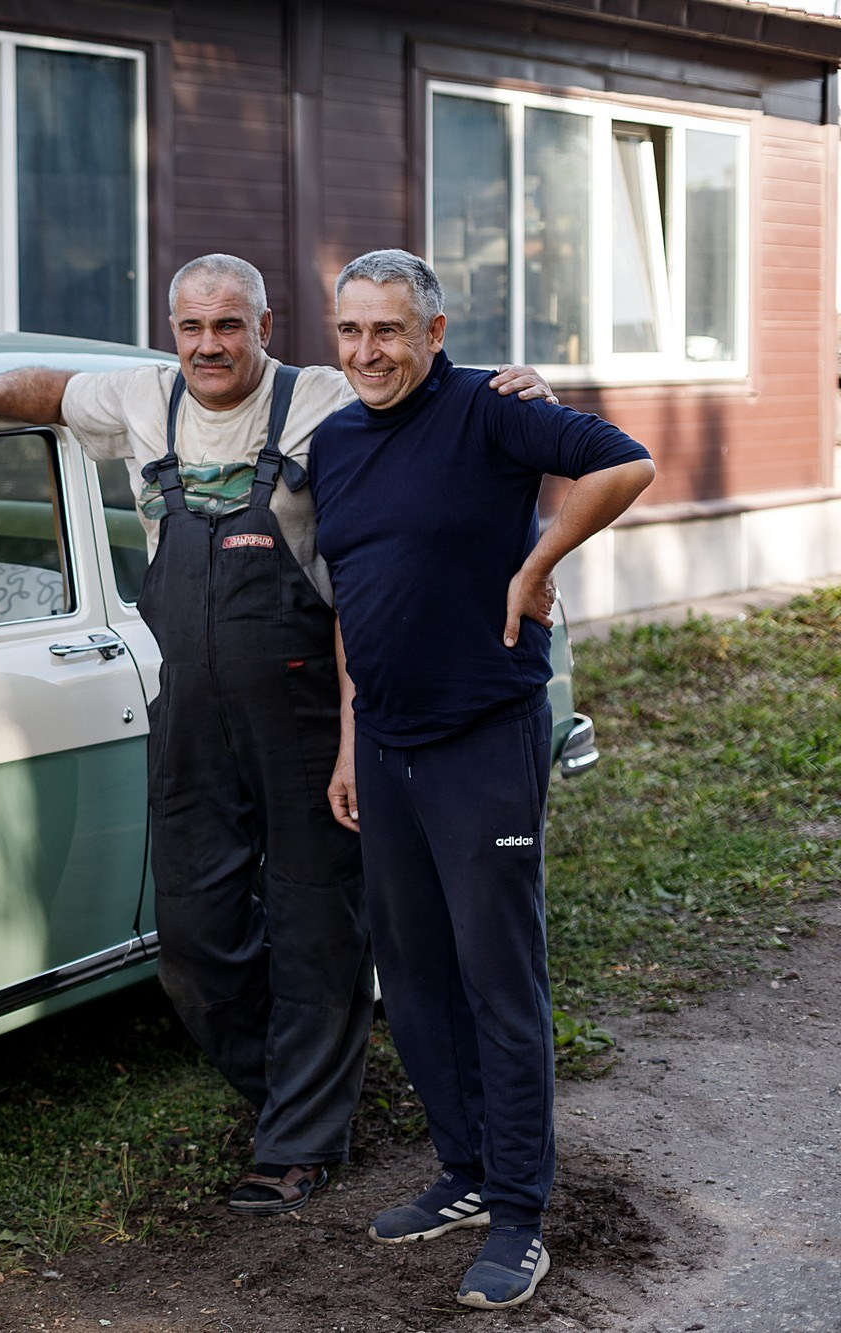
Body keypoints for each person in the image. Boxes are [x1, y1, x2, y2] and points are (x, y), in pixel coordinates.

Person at [0, 254, 553, 1215]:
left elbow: (440, 392)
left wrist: (530, 391)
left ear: (267, 324)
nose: (209, 344)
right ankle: (298, 1087)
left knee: (315, 925)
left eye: (230, 325)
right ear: (171, 330)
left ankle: (301, 1135)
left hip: (307, 708)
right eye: (190, 327)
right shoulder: (140, 398)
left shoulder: (329, 392)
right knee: (195, 934)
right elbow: (49, 391)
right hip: (192, 711)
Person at [310, 249, 654, 1309]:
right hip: (385, 741)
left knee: (496, 978)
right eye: (350, 331)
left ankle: (517, 1212)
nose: (368, 352)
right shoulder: (330, 442)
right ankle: (460, 1172)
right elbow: (348, 594)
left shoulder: (490, 409)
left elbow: (623, 462)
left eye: (389, 332)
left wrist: (535, 564)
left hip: (482, 734)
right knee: (409, 975)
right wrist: (345, 734)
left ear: (432, 331)